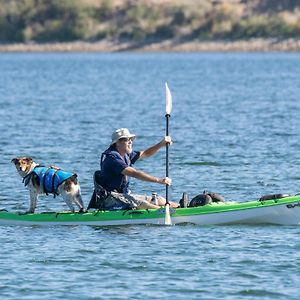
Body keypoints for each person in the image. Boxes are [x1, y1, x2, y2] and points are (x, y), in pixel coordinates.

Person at [89, 128, 179, 210]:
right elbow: (135, 173)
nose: (130, 142)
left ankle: (182, 207)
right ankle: (165, 212)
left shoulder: (126, 154)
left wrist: (161, 144)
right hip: (110, 199)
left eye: (131, 139)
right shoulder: (112, 158)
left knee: (160, 200)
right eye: (127, 140)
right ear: (117, 143)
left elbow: (145, 154)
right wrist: (159, 180)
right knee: (143, 204)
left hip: (123, 195)